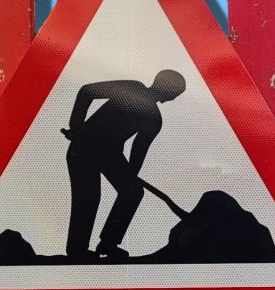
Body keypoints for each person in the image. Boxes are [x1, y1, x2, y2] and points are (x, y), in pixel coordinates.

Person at [62, 70, 186, 260]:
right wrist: (76, 127)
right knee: (88, 197)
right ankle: (77, 250)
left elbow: (137, 154)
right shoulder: (132, 89)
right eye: (175, 94)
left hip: (110, 155)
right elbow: (87, 91)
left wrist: (130, 177)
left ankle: (108, 243)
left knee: (133, 191)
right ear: (168, 91)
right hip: (84, 147)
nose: (174, 99)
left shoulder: (154, 120)